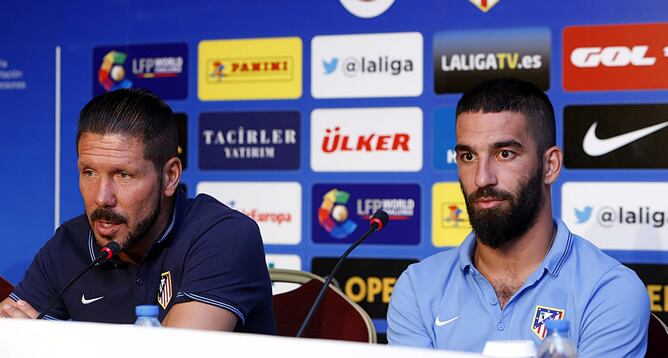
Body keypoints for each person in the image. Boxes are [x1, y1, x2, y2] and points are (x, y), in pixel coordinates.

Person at [387, 78, 649, 355]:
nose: (482, 178)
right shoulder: (418, 287)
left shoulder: (608, 290)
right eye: (468, 156)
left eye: (504, 153)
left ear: (550, 166)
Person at [0, 88, 276, 333]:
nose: (101, 198)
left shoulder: (224, 236)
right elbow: (9, 332)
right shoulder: (69, 243)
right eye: (89, 172)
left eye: (122, 175)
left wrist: (45, 348)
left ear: (169, 176)